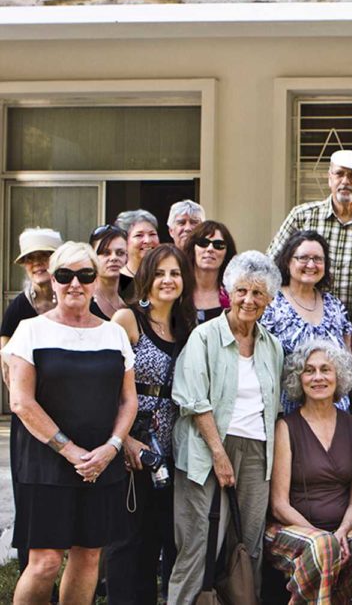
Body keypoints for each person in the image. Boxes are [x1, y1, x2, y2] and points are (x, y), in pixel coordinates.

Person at [3, 241, 138, 604]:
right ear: (53, 279)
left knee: (89, 555)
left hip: (101, 463)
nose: (75, 283)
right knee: (45, 561)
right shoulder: (31, 330)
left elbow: (128, 400)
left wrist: (110, 448)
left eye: (85, 274)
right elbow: (21, 401)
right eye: (65, 275)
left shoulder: (113, 334)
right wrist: (70, 450)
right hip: (46, 463)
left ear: (96, 280)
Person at [167, 251, 284, 603]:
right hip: (207, 449)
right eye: (242, 291)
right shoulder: (204, 337)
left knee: (247, 545)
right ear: (228, 292)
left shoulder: (272, 346)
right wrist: (219, 454)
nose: (249, 300)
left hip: (256, 451)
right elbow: (192, 400)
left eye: (259, 293)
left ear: (270, 299)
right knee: (198, 542)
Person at [104, 244, 196, 604]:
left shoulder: (186, 326)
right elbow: (104, 386)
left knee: (165, 538)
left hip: (172, 449)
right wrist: (123, 440)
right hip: (133, 444)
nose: (168, 280)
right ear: (146, 278)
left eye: (175, 273)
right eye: (159, 273)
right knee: (129, 544)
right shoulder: (128, 320)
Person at [265, 339, 352, 604]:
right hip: (291, 531)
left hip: (338, 530)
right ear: (299, 378)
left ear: (338, 376)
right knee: (322, 547)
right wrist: (322, 536)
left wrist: (342, 532)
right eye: (309, 370)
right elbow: (278, 505)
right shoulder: (286, 427)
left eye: (325, 369)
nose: (317, 377)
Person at [267, 149, 352, 321]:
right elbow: (269, 267)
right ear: (330, 178)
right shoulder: (302, 217)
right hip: (299, 328)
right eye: (339, 174)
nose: (345, 181)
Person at [0, 227, 63, 578]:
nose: (38, 264)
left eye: (45, 257)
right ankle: (31, 568)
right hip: (32, 415)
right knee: (30, 488)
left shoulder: (73, 297)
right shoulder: (20, 307)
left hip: (72, 409)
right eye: (31, 259)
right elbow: (6, 362)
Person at [261, 229, 352, 413]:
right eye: (303, 258)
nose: (311, 264)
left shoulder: (333, 305)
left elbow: (350, 360)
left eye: (318, 259)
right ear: (288, 261)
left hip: (336, 414)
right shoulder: (271, 305)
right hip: (290, 418)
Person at [185, 220, 236, 323]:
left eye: (218, 245)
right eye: (203, 243)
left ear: (227, 253)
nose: (210, 249)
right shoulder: (178, 291)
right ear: (193, 248)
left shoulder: (234, 295)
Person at [115, 209, 160, 298]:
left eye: (152, 234)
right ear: (124, 242)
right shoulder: (117, 281)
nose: (147, 240)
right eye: (139, 235)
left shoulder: (165, 278)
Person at [88, 224, 129, 320]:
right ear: (92, 258)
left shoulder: (132, 302)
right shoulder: (84, 302)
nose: (114, 258)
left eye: (120, 253)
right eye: (106, 253)